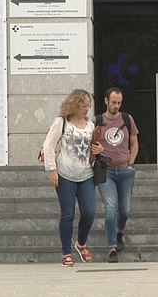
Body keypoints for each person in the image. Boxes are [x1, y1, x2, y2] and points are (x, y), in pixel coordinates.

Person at [42, 89, 103, 266]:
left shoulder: (90, 125)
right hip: (65, 174)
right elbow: (48, 145)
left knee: (89, 212)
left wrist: (100, 150)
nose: (86, 109)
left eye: (89, 106)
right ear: (75, 104)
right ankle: (66, 252)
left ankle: (81, 243)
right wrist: (52, 170)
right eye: (84, 106)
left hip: (86, 174)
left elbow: (94, 147)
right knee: (67, 214)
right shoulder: (62, 122)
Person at [92, 87, 139, 263]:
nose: (116, 106)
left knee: (125, 210)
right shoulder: (97, 121)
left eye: (119, 103)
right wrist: (100, 152)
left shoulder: (127, 119)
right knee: (111, 207)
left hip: (125, 170)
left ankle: (119, 232)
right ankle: (111, 247)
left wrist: (131, 162)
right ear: (106, 101)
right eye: (113, 102)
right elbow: (91, 145)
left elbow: (134, 142)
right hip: (106, 170)